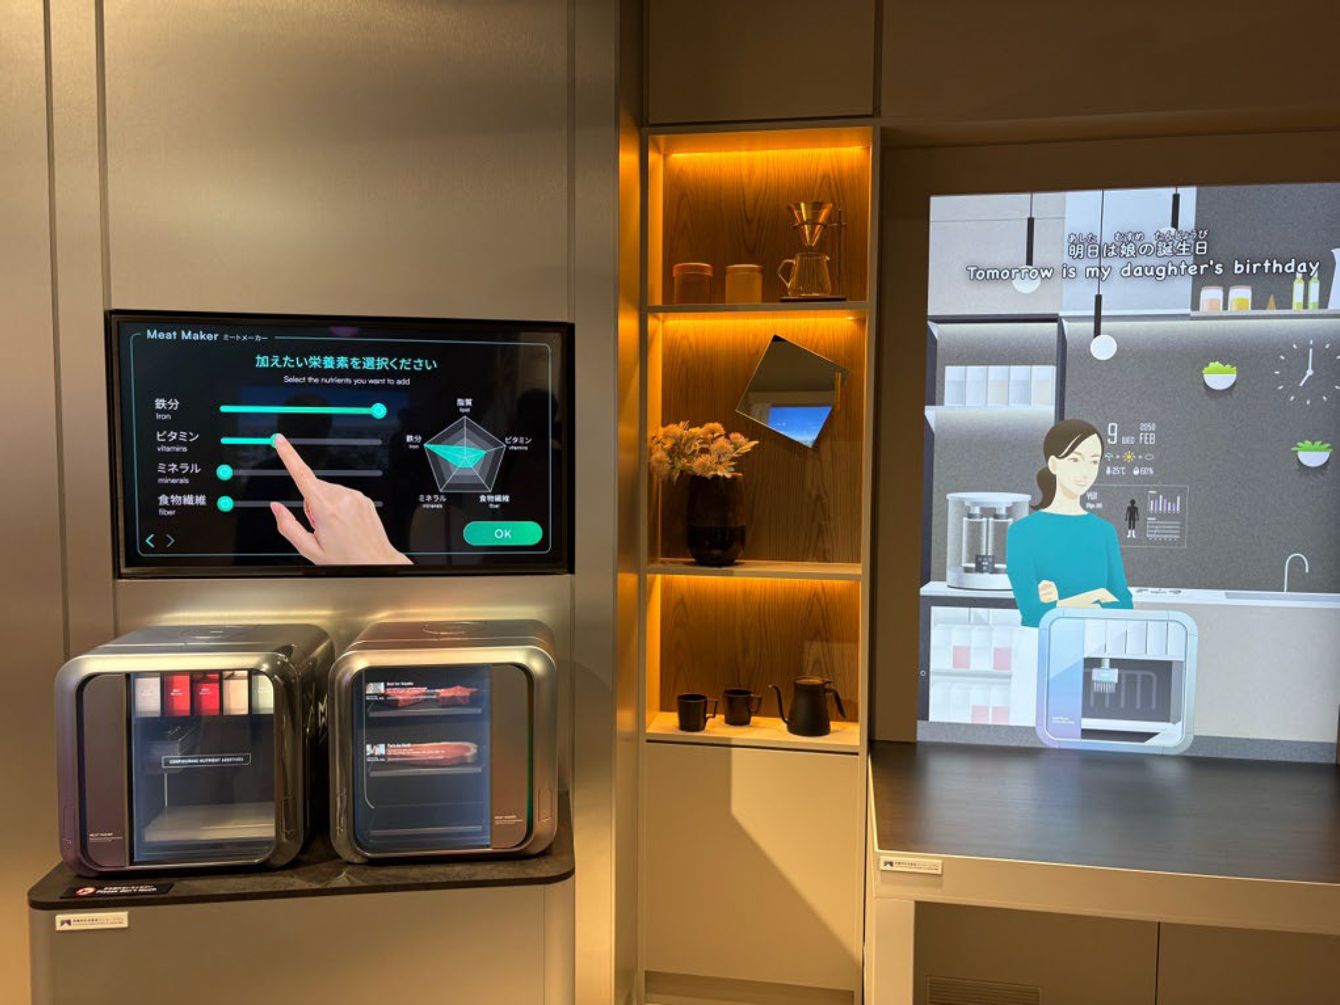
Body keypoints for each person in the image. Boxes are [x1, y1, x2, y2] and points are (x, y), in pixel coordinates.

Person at [1006, 418, 1133, 628]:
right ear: (1054, 464)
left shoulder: (1104, 532)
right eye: (1075, 460)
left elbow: (1125, 607)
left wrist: (1059, 606)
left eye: (1094, 461)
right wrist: (1096, 596)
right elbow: (1033, 615)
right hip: (1042, 644)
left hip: (1098, 642)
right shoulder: (1022, 533)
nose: (1085, 471)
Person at [269, 434, 411, 565]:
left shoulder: (356, 480)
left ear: (325, 426)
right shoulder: (263, 479)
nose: (300, 431)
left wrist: (377, 563)